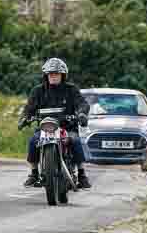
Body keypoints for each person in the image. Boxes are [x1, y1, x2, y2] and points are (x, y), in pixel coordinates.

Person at [17, 58, 91, 189]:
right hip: (45, 128)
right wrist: (24, 118)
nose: (53, 76)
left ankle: (81, 174)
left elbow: (82, 103)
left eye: (56, 74)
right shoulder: (38, 91)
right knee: (34, 141)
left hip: (67, 127)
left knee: (75, 141)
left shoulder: (71, 89)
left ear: (63, 75)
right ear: (46, 75)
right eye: (50, 74)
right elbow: (29, 108)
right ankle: (34, 173)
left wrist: (82, 114)